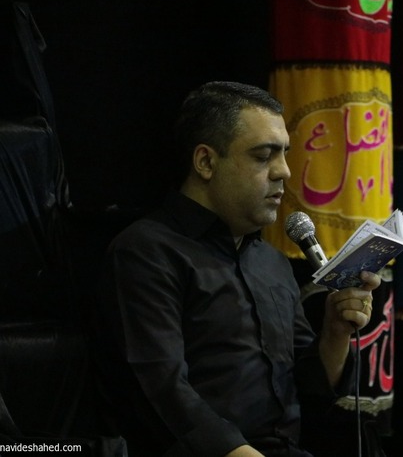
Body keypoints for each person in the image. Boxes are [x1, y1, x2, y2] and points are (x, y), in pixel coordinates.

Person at [92, 81, 380, 457]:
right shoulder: (147, 253)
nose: (284, 172)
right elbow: (161, 392)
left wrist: (336, 333)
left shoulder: (272, 263)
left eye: (285, 154)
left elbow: (309, 393)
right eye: (263, 156)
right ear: (206, 162)